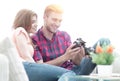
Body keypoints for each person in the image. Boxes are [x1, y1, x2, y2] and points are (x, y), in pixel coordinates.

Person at [12, 9, 76, 81]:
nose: (36, 24)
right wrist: (37, 67)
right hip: (26, 66)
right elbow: (26, 56)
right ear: (24, 21)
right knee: (69, 74)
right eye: (33, 22)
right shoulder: (20, 31)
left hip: (29, 66)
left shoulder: (27, 36)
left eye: (36, 21)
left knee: (72, 72)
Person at [31, 4, 96, 75]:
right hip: (60, 75)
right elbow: (40, 68)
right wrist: (65, 57)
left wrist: (79, 56)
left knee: (103, 41)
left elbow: (76, 62)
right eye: (54, 19)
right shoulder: (34, 39)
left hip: (74, 70)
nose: (57, 24)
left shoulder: (64, 36)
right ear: (45, 17)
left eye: (60, 21)